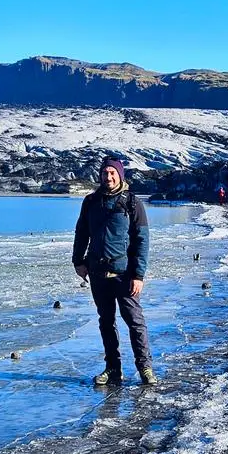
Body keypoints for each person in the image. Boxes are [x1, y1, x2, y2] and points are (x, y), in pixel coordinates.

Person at [72, 156, 155, 386]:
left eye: (112, 173)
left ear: (120, 175)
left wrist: (139, 275)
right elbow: (81, 233)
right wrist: (78, 261)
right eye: (104, 173)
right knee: (106, 321)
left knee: (135, 321)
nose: (108, 177)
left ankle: (145, 368)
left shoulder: (132, 202)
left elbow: (142, 240)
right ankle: (113, 369)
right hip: (98, 273)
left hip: (124, 274)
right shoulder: (91, 202)